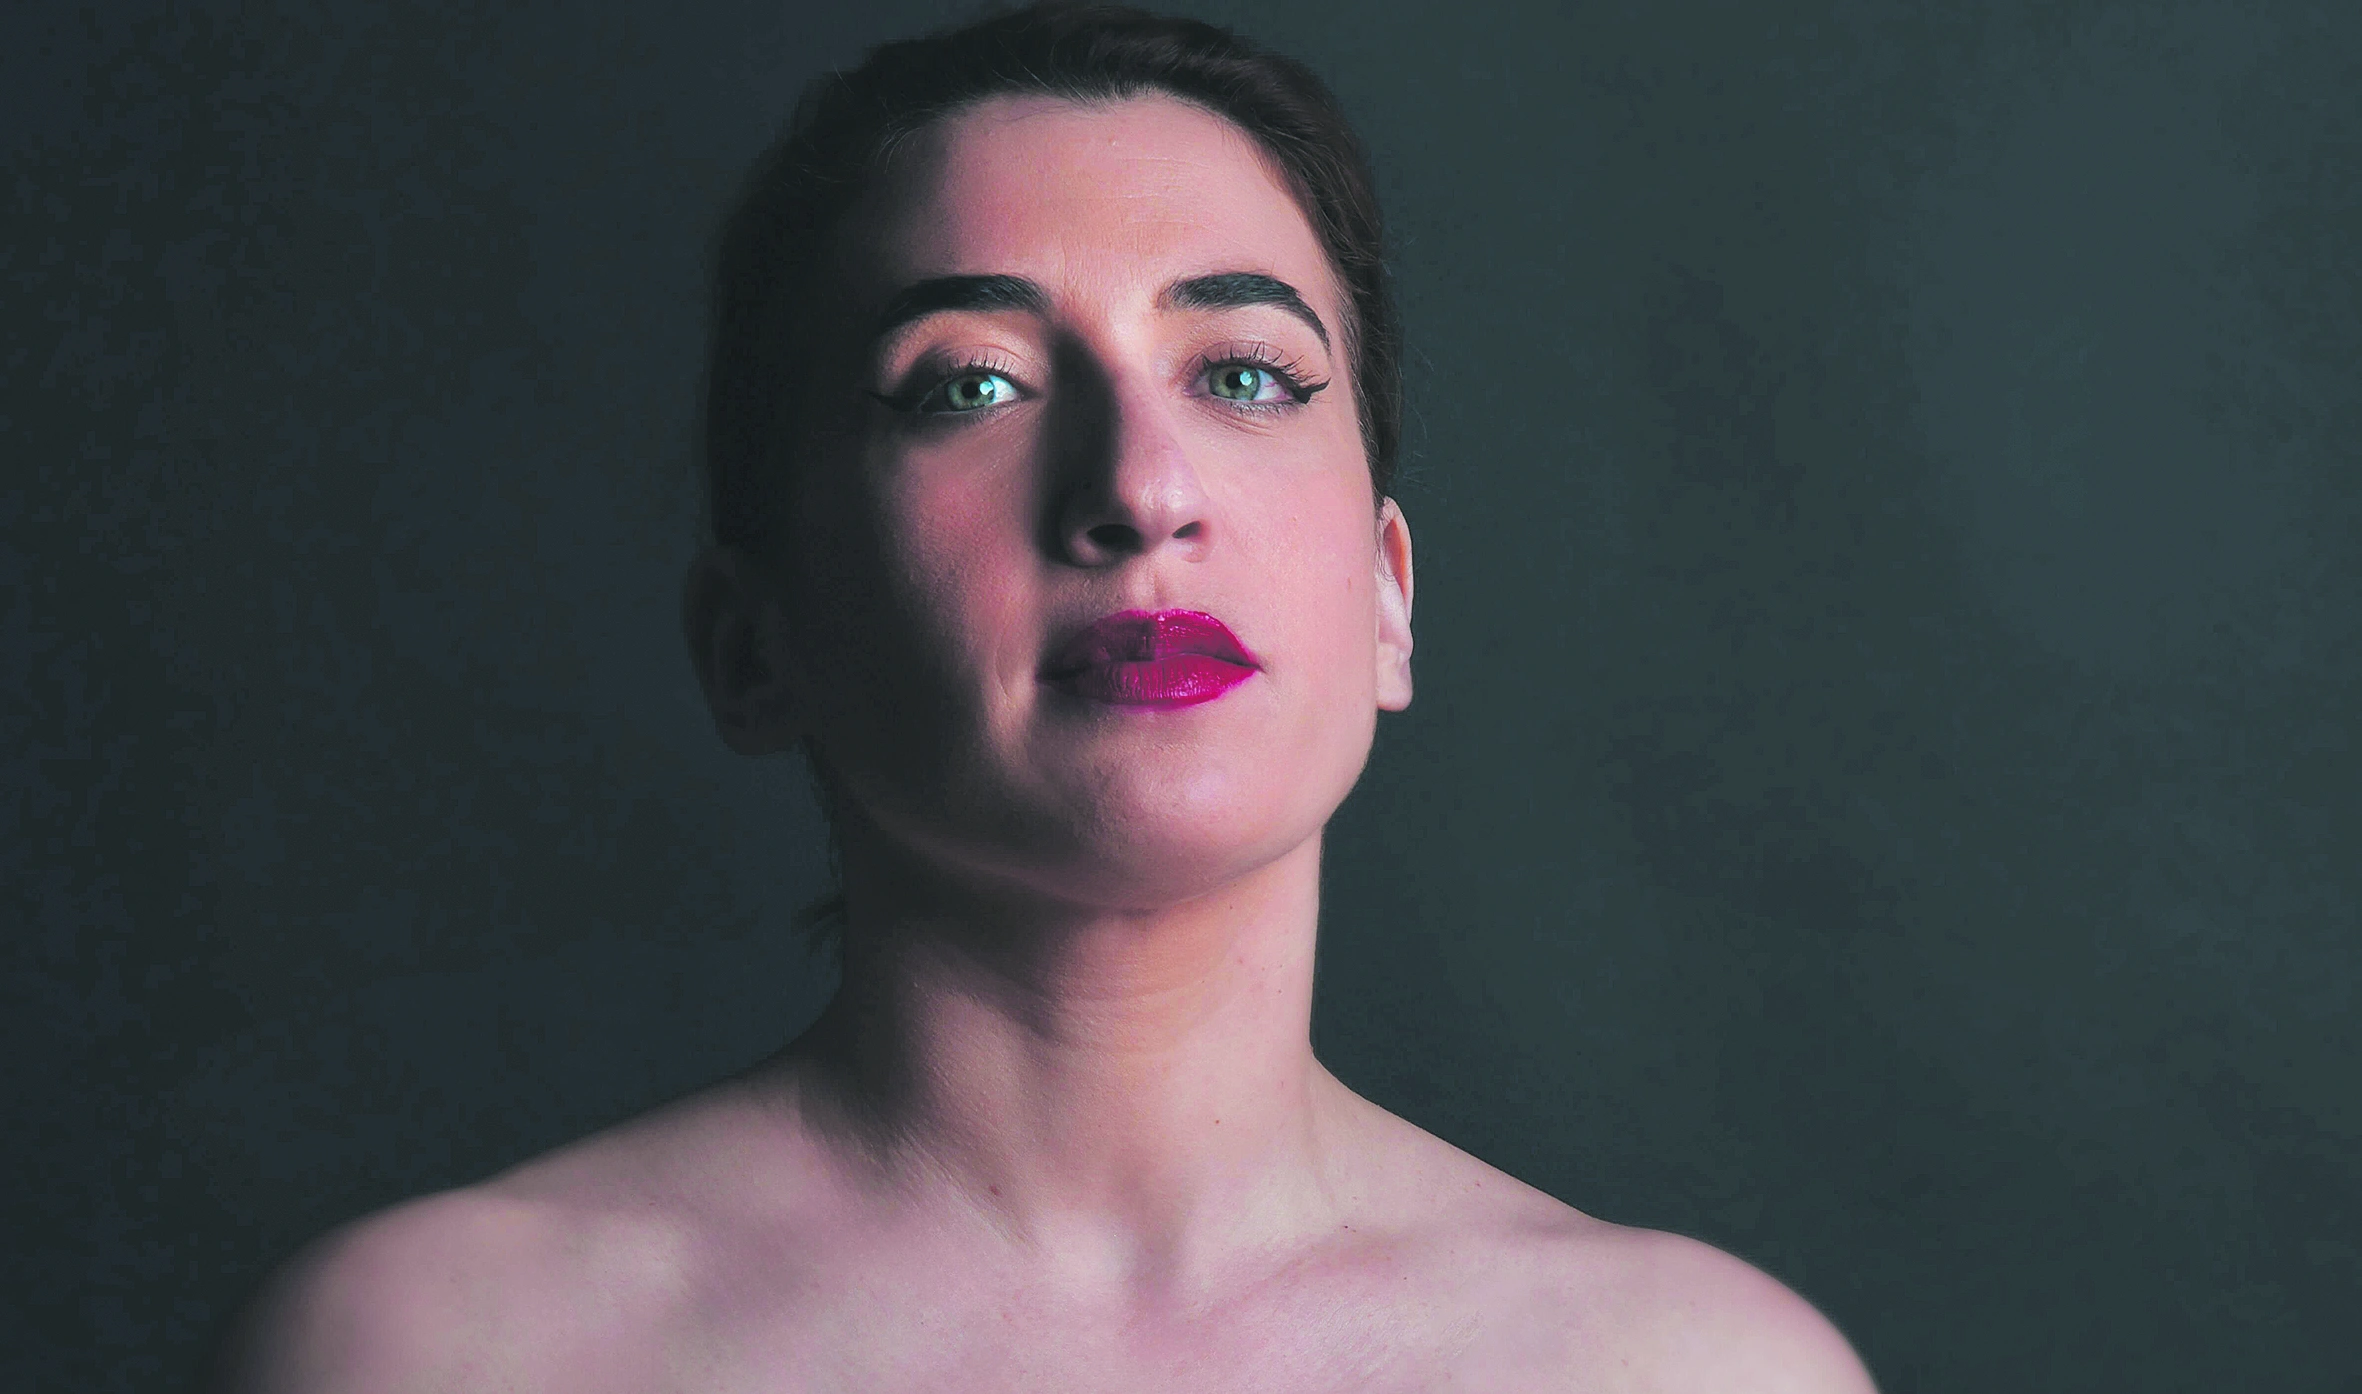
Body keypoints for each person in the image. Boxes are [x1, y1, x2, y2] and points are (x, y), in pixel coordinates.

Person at [210, 4, 1878, 1389]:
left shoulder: (1694, 1371)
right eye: (970, 384)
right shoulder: (440, 1352)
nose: (1140, 488)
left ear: (1388, 596)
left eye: (1243, 373)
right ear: (752, 640)